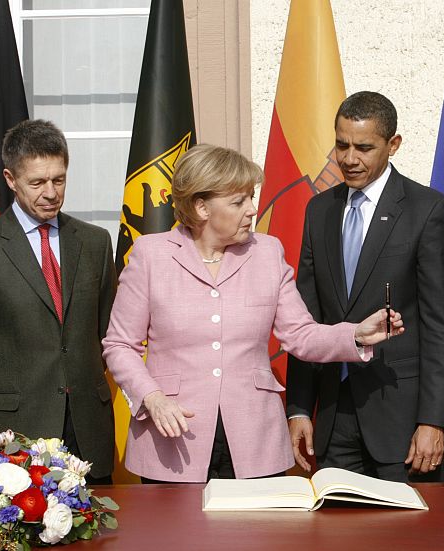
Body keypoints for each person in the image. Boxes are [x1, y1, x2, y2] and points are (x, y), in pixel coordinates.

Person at [102, 144, 403, 483]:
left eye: (250, 197)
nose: (251, 209)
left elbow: (301, 334)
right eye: (238, 201)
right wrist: (152, 397)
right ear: (201, 207)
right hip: (172, 440)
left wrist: (356, 334)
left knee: (254, 537)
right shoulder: (151, 255)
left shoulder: (267, 252)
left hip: (253, 441)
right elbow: (119, 345)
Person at [286, 91, 444, 483]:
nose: (350, 158)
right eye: (341, 145)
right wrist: (299, 407)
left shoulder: (428, 211)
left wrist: (433, 422)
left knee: (408, 540)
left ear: (393, 145)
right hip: (334, 420)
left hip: (403, 425)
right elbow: (305, 318)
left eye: (364, 147)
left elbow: (443, 328)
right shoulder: (319, 211)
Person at [0, 119, 117, 483]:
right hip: (15, 434)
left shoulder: (96, 242)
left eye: (59, 179)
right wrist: (0, 405)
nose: (51, 192)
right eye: (37, 182)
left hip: (89, 428)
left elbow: (108, 332)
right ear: (11, 179)